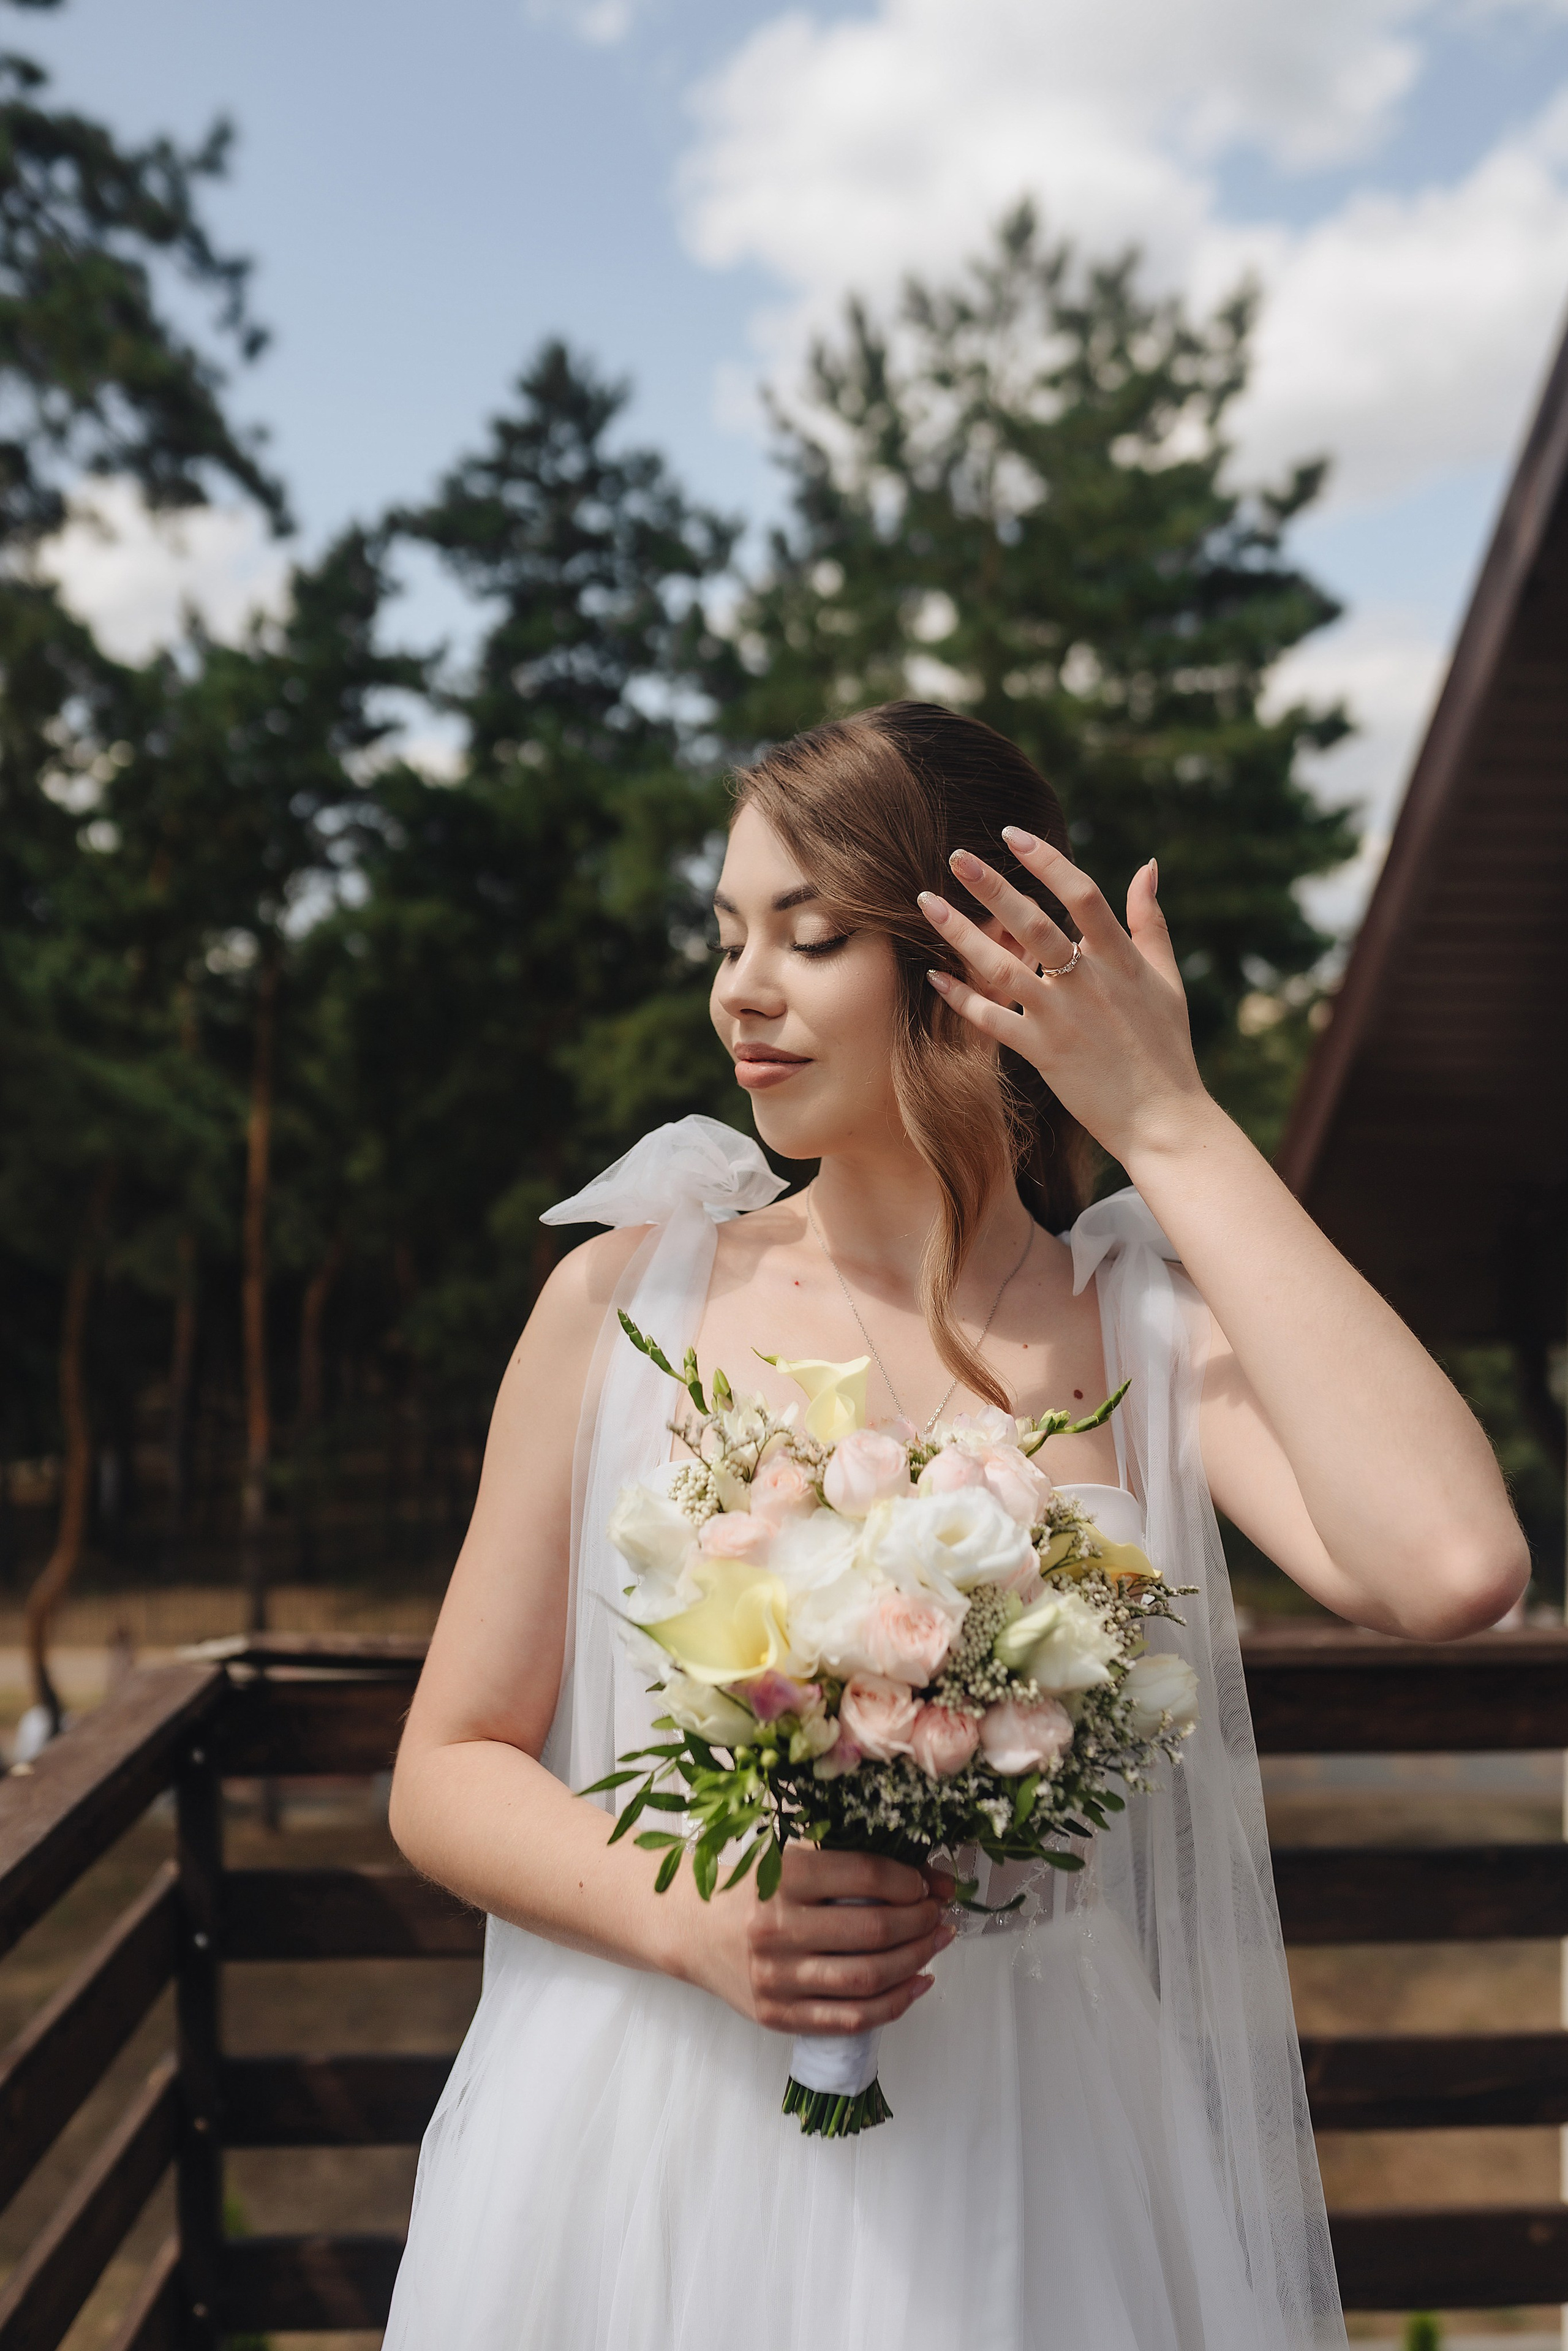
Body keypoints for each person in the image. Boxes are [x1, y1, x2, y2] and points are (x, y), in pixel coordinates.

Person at [383, 701, 1526, 2351]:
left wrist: (1172, 1119)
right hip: (662, 2136)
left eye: (812, 933)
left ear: (974, 967)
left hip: (1040, 2153)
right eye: (725, 936)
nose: (739, 989)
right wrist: (695, 1921)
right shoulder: (627, 1298)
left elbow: (1453, 1566)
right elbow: (447, 1765)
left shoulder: (1134, 1327)